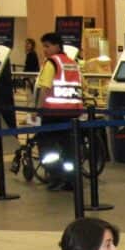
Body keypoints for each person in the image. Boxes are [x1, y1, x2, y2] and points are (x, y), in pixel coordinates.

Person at [34, 32, 84, 192]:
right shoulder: (72, 63)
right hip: (72, 113)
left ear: (57, 46)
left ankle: (55, 177)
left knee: (47, 149)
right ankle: (72, 179)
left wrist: (38, 109)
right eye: (43, 47)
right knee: (70, 148)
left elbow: (44, 87)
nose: (45, 50)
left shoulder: (51, 63)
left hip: (52, 113)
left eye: (47, 46)